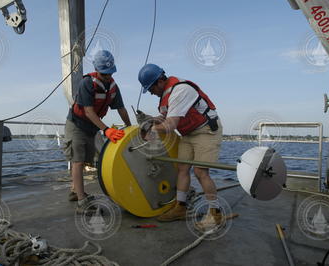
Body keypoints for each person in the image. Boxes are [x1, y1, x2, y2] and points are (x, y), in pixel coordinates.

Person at [138, 63, 223, 230]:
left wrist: (152, 130)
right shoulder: (165, 96)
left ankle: (216, 213)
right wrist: (149, 120)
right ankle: (180, 207)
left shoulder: (180, 90)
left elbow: (170, 125)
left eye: (151, 88)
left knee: (200, 171)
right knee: (182, 168)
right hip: (188, 133)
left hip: (206, 130)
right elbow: (164, 117)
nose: (151, 92)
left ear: (160, 81)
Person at [64, 50, 131, 213]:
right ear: (97, 70)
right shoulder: (87, 82)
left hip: (92, 128)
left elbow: (121, 109)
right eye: (104, 74)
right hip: (77, 125)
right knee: (78, 161)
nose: (108, 77)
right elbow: (88, 111)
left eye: (110, 73)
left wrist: (129, 127)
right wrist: (106, 130)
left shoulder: (113, 87)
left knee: (86, 159)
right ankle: (81, 202)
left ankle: (75, 191)